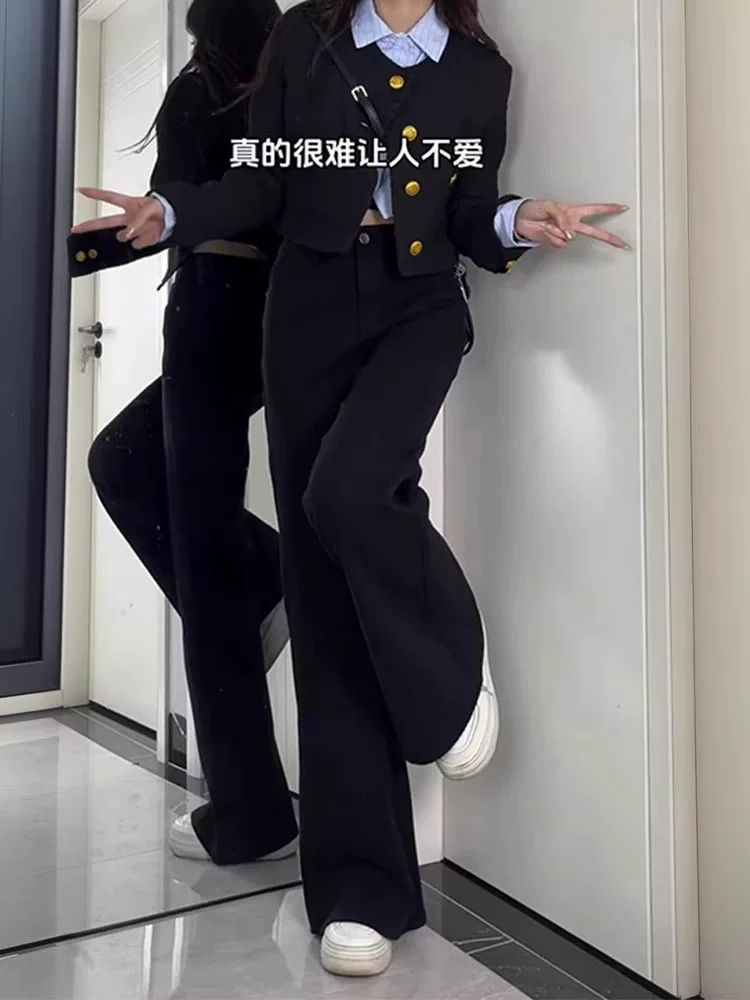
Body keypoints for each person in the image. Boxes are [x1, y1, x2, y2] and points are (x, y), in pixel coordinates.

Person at [71, 0, 628, 977]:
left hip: (420, 307)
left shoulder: (480, 70)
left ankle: (449, 676)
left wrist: (516, 219)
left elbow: (467, 208)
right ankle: (361, 891)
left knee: (350, 492)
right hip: (307, 311)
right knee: (321, 596)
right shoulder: (303, 42)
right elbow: (262, 182)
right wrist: (174, 213)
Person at [68, 0, 300, 869]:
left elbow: (171, 210)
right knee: (127, 465)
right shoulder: (291, 83)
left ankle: (250, 815)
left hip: (212, 307)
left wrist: (96, 246)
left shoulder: (200, 87)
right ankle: (269, 579)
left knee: (202, 560)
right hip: (281, 313)